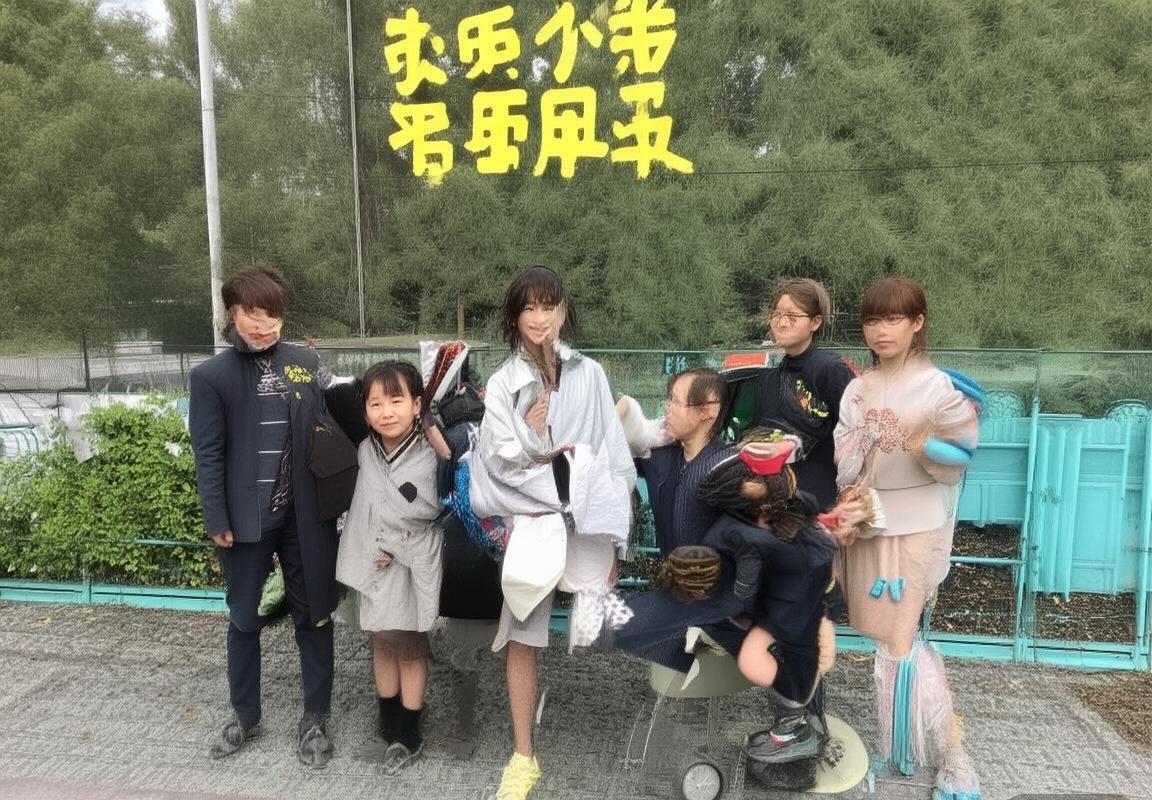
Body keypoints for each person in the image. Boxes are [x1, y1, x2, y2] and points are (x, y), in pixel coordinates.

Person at [467, 266, 635, 800]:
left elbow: (612, 454)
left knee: (604, 620)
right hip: (534, 523)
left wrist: (614, 533)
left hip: (586, 518)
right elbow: (497, 462)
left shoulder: (590, 374)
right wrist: (533, 434)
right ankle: (523, 756)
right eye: (529, 308)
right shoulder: (503, 383)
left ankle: (635, 715)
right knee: (522, 631)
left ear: (563, 311)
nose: (540, 318)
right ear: (514, 317)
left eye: (549, 306)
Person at [833, 277, 981, 800]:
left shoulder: (940, 388)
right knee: (888, 641)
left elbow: (959, 455)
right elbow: (845, 463)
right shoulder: (858, 388)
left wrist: (925, 444)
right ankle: (898, 748)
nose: (881, 330)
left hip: (917, 524)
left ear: (917, 323)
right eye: (872, 320)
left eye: (893, 318)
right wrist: (856, 474)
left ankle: (954, 758)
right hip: (870, 520)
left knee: (899, 639)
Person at [188, 265, 339, 768]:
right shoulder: (211, 377)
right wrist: (216, 516)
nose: (264, 324)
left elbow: (336, 418)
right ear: (232, 312)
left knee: (313, 614)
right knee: (243, 617)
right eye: (253, 313)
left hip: (304, 516)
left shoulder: (305, 362)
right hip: (246, 520)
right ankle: (245, 715)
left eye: (272, 314)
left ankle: (315, 718)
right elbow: (208, 452)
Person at [335, 361, 444, 775]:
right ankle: (388, 720)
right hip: (375, 563)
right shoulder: (366, 450)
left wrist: (396, 546)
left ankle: (409, 730)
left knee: (411, 643)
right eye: (375, 403)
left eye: (396, 401)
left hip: (412, 563)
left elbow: (430, 512)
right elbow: (366, 507)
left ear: (417, 405)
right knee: (381, 639)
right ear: (365, 411)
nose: (386, 412)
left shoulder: (432, 453)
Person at [612, 368, 747, 668]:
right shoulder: (661, 456)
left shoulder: (730, 467)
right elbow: (612, 445)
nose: (667, 408)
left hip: (723, 608)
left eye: (675, 401)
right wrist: (625, 413)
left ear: (708, 410)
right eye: (668, 399)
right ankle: (689, 654)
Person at [753, 278, 857, 511]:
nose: (782, 323)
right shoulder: (769, 379)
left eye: (792, 316)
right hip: (777, 505)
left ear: (815, 322)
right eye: (776, 315)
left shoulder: (831, 371)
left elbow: (855, 437)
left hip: (822, 507)